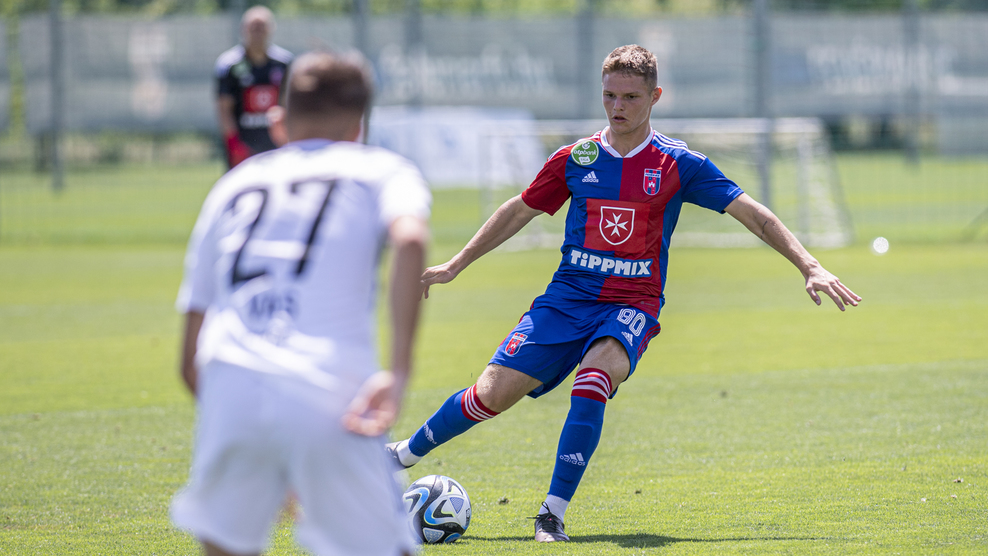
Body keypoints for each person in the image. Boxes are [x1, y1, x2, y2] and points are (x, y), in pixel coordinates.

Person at [386, 44, 861, 543]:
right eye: (610, 95)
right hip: (567, 299)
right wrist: (457, 263)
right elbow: (520, 209)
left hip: (632, 303)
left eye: (631, 97)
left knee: (592, 381)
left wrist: (809, 265)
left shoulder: (678, 163)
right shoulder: (577, 158)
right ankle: (403, 454)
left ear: (655, 97)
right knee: (490, 394)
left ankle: (551, 514)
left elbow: (754, 215)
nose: (618, 106)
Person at [172, 50, 431, 556]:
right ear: (359, 124)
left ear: (281, 117)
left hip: (229, 390)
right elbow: (411, 239)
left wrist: (260, 433)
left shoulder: (233, 185)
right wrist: (399, 371)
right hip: (330, 394)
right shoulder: (379, 168)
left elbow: (189, 360)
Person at [215, 6, 293, 169]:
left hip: (276, 145)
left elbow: (290, 103)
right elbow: (224, 109)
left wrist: (289, 138)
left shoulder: (284, 63)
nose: (258, 32)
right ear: (243, 29)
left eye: (262, 27)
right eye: (253, 27)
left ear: (271, 29)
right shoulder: (230, 65)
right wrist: (234, 144)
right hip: (244, 145)